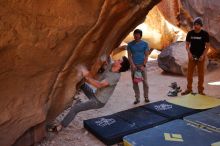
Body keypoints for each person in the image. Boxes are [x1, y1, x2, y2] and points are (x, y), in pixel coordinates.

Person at [53, 56, 130, 132]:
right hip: (95, 95)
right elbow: (107, 59)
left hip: (98, 102)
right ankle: (75, 97)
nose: (117, 59)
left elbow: (99, 85)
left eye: (119, 60)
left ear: (120, 65)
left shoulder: (115, 77)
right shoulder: (112, 65)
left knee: (75, 109)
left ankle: (60, 126)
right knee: (82, 84)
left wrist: (87, 76)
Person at [181, 17, 209, 95]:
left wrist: (203, 55)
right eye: (194, 24)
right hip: (192, 56)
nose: (195, 26)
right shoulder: (190, 33)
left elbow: (207, 46)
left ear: (201, 25)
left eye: (197, 24)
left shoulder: (205, 34)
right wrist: (189, 54)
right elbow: (187, 45)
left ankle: (200, 90)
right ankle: (189, 89)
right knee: (189, 74)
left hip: (201, 57)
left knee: (201, 75)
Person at [127, 29, 150, 104]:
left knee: (145, 82)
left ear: (140, 35)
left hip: (142, 66)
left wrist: (143, 65)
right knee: (135, 83)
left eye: (137, 34)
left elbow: (146, 55)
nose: (136, 36)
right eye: (135, 34)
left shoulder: (145, 44)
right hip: (134, 66)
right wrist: (132, 65)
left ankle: (146, 97)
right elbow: (129, 56)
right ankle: (137, 98)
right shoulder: (130, 44)